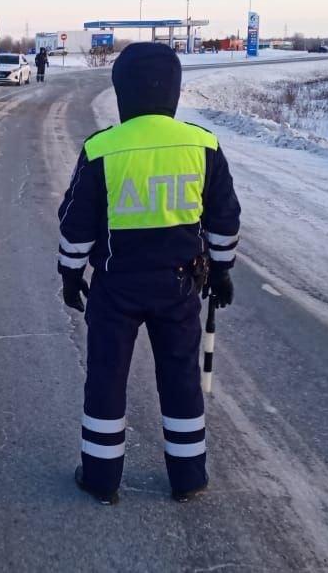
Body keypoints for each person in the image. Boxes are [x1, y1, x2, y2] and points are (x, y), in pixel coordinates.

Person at [56, 42, 241, 505]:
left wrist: (69, 274)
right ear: (174, 91)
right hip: (179, 286)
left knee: (106, 378)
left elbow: (76, 225)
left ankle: (100, 479)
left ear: (122, 92)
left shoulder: (102, 149)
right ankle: (188, 478)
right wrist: (221, 272)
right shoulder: (203, 146)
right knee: (180, 378)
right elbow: (223, 219)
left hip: (115, 288)